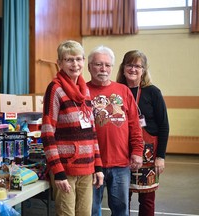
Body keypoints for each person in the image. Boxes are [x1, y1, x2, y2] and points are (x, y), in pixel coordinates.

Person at [41, 40, 104, 216]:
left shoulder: (85, 91)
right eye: (69, 60)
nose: (74, 64)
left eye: (78, 59)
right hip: (66, 169)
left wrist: (98, 166)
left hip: (87, 167)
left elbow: (92, 133)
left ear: (84, 61)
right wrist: (58, 172)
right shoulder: (55, 89)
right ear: (59, 63)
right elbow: (47, 133)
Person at [86, 45, 144, 216]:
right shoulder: (82, 91)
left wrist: (137, 151)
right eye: (98, 64)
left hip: (120, 163)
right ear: (89, 66)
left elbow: (134, 125)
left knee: (120, 210)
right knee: (92, 209)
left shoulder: (123, 91)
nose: (103, 68)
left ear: (112, 67)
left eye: (107, 65)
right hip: (91, 164)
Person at [116, 50, 169, 216]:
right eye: (130, 65)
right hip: (123, 152)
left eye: (138, 66)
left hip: (149, 154)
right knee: (122, 198)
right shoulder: (116, 91)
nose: (133, 69)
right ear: (123, 68)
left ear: (144, 70)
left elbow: (164, 126)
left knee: (147, 200)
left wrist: (160, 157)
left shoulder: (153, 92)